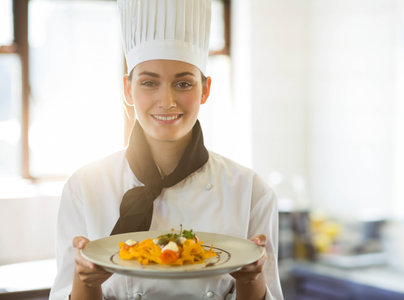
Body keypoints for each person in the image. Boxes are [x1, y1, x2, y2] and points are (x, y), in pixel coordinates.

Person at [49, 0, 283, 299]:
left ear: (206, 89)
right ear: (127, 89)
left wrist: (251, 279)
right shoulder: (84, 187)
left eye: (183, 84)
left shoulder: (251, 191)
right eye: (149, 82)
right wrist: (87, 281)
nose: (167, 101)